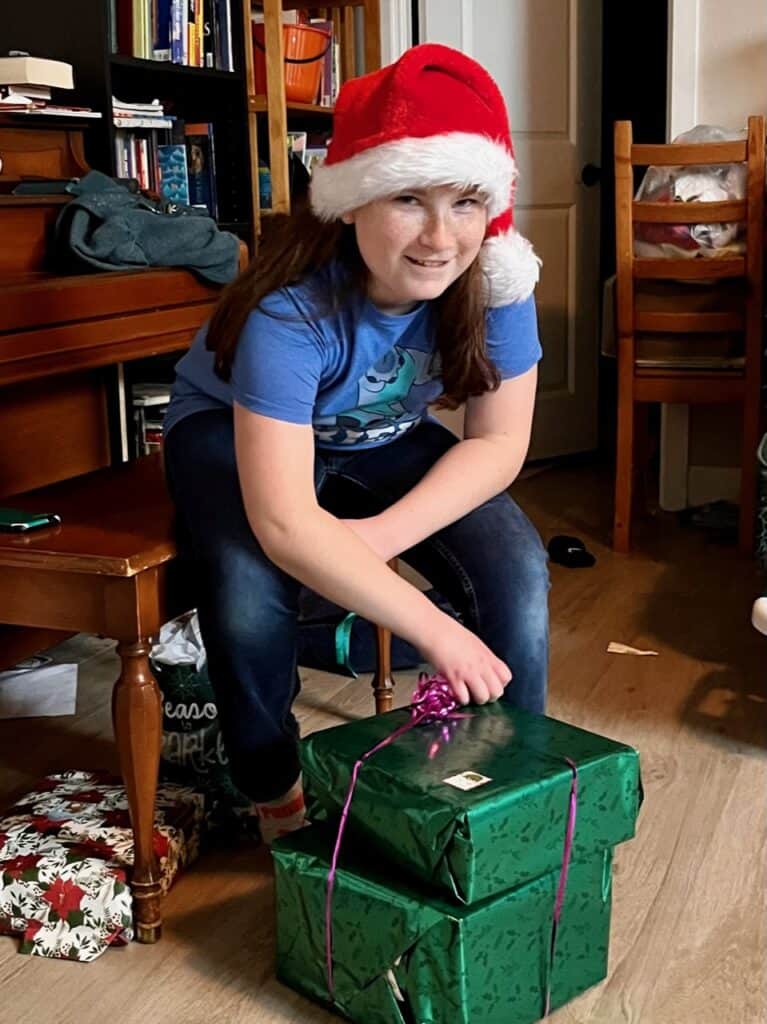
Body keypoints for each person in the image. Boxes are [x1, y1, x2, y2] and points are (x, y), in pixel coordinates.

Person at [162, 43, 548, 843]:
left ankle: (507, 784)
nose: (441, 238)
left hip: (378, 434)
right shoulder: (288, 311)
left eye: (466, 202)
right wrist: (436, 632)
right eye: (408, 198)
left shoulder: (499, 282)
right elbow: (285, 525)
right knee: (245, 587)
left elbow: (500, 444)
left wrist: (377, 538)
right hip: (229, 432)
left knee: (515, 566)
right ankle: (274, 793)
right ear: (353, 201)